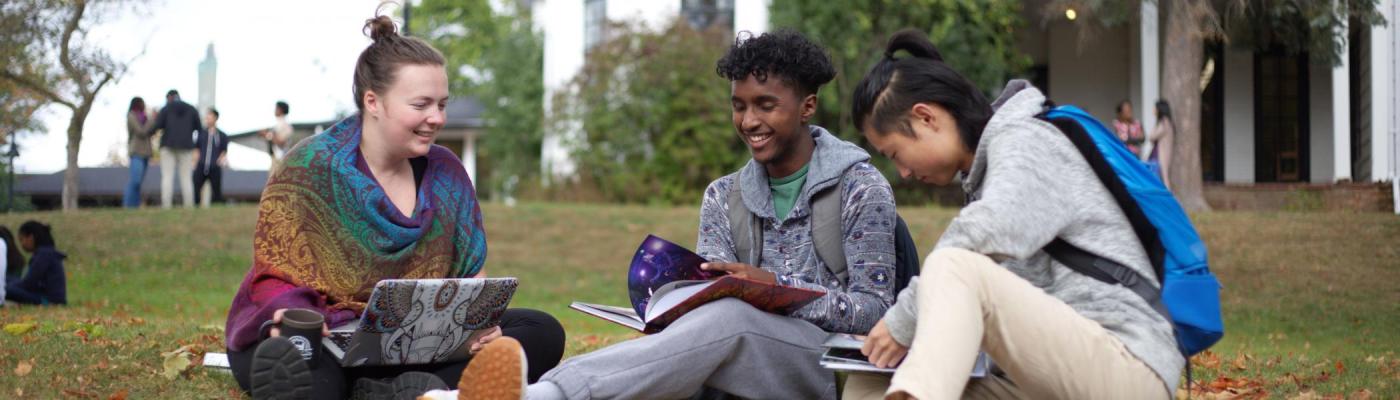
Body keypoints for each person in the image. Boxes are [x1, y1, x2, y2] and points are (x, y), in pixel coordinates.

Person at [456, 29, 898, 400]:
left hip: (825, 364)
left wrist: (779, 289)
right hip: (733, 356)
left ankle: (543, 395)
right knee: (702, 333)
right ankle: (457, 396)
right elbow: (707, 304)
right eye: (739, 105)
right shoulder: (724, 196)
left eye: (765, 105)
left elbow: (877, 310)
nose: (747, 121)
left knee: (729, 321)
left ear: (807, 107)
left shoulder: (861, 187)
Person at [223, 13, 564, 400]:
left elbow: (473, 278)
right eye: (422, 104)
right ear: (373, 101)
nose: (436, 118)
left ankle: (394, 387)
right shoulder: (311, 167)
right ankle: (400, 390)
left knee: (541, 331)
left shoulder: (447, 171)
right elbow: (274, 274)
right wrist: (291, 316)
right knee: (305, 365)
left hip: (416, 337)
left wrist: (478, 328)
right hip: (322, 330)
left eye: (442, 104)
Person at [840, 30, 1180, 400]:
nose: (902, 172)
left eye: (894, 153)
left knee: (955, 264)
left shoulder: (1027, 139)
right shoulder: (984, 179)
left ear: (926, 118)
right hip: (1039, 375)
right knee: (870, 383)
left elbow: (988, 233)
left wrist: (902, 321)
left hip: (1124, 365)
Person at [148, 89, 201, 208]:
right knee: (186, 178)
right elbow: (199, 128)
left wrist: (147, 132)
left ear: (169, 97)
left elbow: (157, 126)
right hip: (186, 147)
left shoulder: (166, 108)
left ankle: (166, 206)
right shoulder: (191, 109)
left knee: (167, 176)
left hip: (168, 146)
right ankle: (189, 206)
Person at [4, 221, 66, 306]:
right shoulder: (45, 253)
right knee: (7, 280)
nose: (21, 244)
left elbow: (29, 283)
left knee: (6, 290)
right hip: (43, 293)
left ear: (31, 237)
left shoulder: (44, 255)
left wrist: (7, 287)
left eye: (22, 239)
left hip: (50, 300)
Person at [124, 97, 157, 208]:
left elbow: (150, 132)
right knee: (135, 180)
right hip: (136, 152)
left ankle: (135, 206)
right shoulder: (131, 116)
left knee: (139, 182)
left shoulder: (145, 117)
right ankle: (128, 205)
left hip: (146, 153)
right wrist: (152, 120)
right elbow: (141, 131)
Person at [193, 108, 230, 207]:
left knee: (216, 190)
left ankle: (216, 206)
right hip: (201, 165)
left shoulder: (221, 135)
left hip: (214, 166)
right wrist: (195, 162)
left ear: (215, 118)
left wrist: (219, 160)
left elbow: (224, 150)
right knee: (196, 186)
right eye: (207, 117)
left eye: (210, 117)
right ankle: (196, 206)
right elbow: (197, 149)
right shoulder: (201, 133)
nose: (207, 119)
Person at [1145, 100, 1175, 190]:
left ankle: (1167, 198)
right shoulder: (1165, 122)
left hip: (1161, 154)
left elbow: (1152, 137)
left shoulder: (1164, 122)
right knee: (1157, 175)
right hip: (1158, 153)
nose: (1153, 110)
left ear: (1160, 109)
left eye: (1155, 108)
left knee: (1164, 177)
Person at [261, 101, 293, 169]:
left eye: (276, 108)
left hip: (281, 160)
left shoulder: (285, 126)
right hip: (276, 159)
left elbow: (281, 143)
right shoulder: (277, 125)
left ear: (280, 110)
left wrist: (268, 135)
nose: (274, 111)